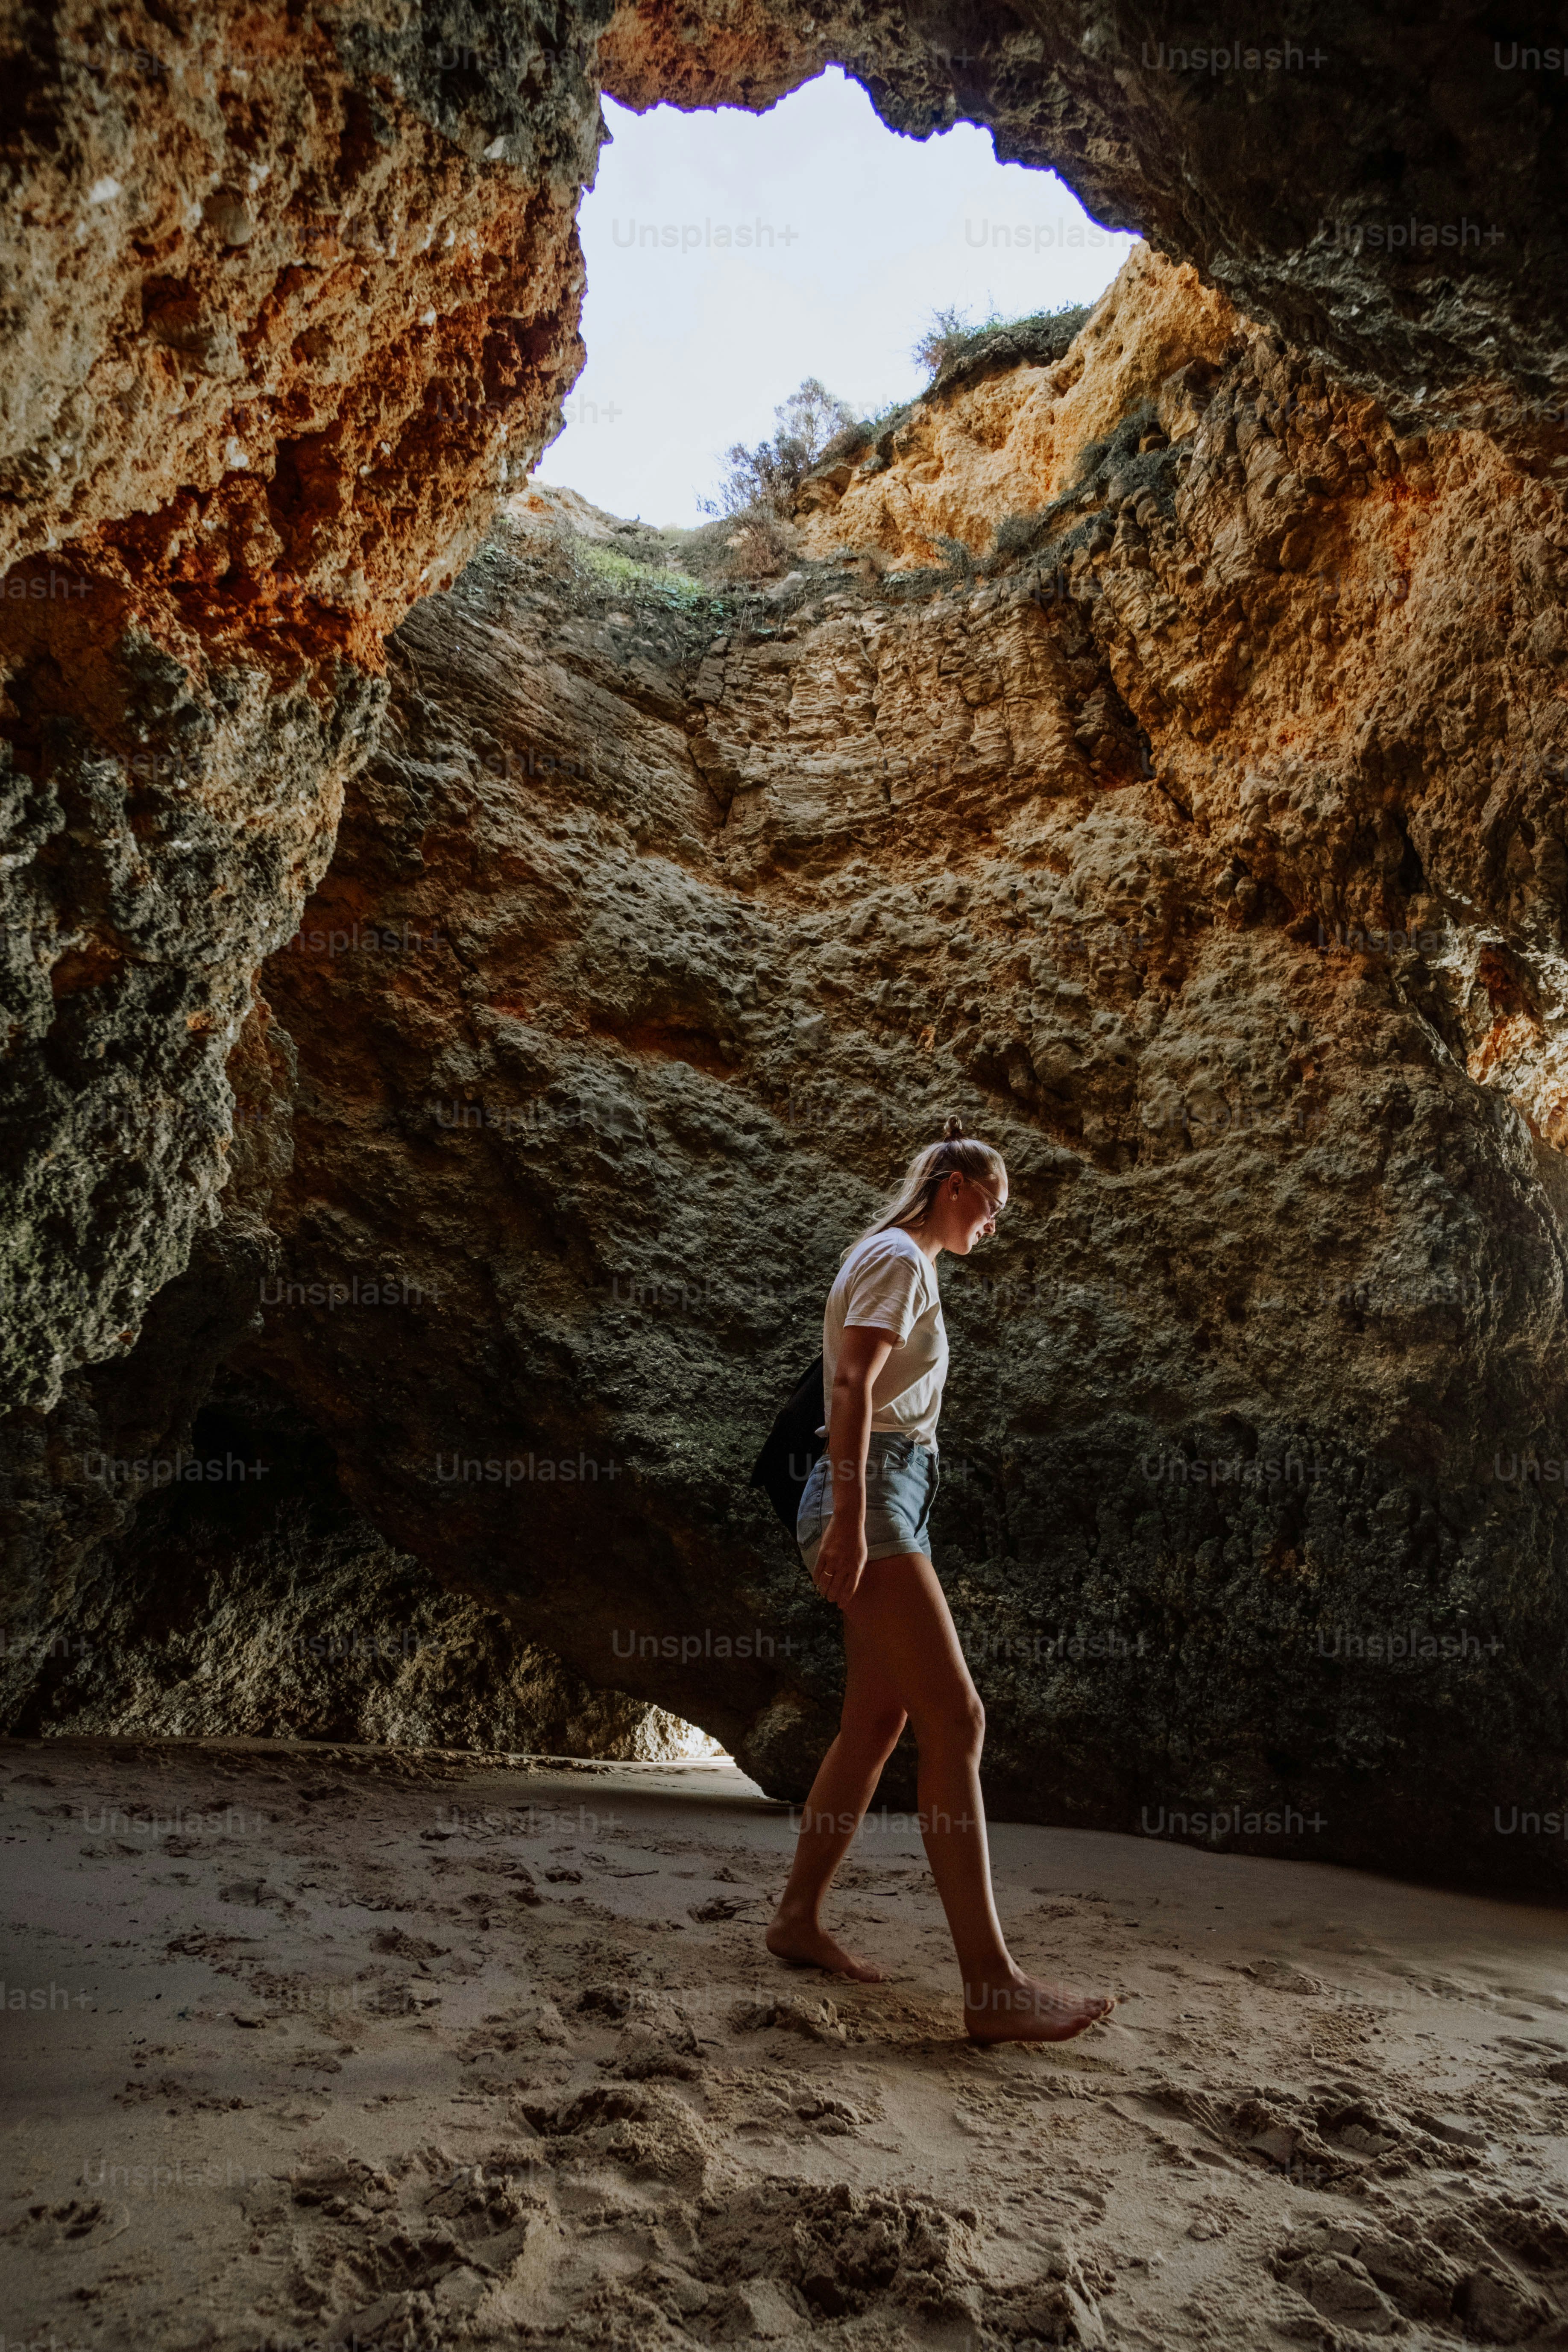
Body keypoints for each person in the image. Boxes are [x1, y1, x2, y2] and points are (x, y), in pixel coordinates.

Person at [766, 1119, 1114, 2044]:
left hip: (890, 1492)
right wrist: (846, 1518)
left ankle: (798, 1917)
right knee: (958, 1717)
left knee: (875, 1722)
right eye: (992, 1206)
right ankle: (993, 1984)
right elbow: (850, 1386)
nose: (993, 1227)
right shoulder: (902, 1256)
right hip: (871, 1492)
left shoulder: (901, 1262)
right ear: (955, 1183)